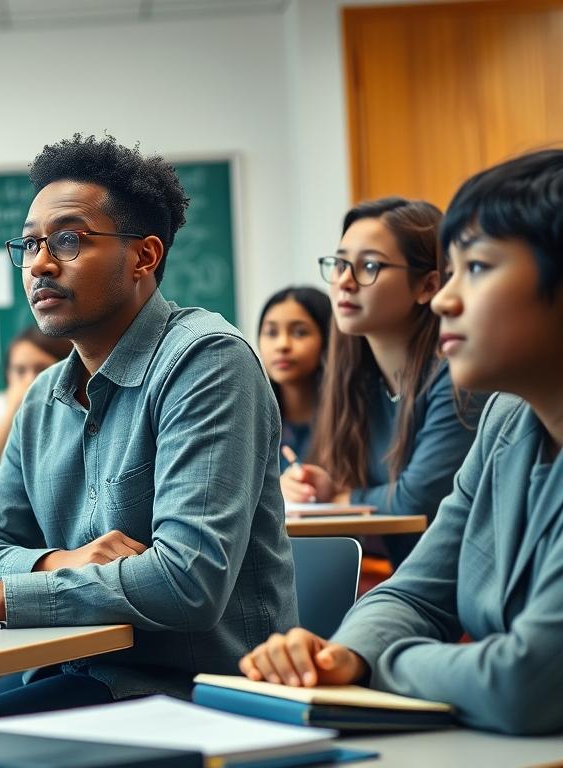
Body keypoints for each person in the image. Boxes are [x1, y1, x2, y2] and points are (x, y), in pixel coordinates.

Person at [0, 134, 296, 721]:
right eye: (30, 244)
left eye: (69, 240)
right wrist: (61, 562)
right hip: (67, 665)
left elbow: (188, 582)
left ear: (144, 257)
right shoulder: (42, 398)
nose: (40, 264)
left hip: (190, 689)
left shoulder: (206, 362)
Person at [240, 149, 563, 736]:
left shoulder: (469, 398)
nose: (445, 300)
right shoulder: (507, 420)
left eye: (478, 268)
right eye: (451, 271)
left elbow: (525, 683)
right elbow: (415, 593)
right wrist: (344, 655)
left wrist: (376, 664)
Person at [283, 198, 483, 566]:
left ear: (428, 285)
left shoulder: (459, 376)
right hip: (408, 576)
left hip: (462, 582)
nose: (345, 281)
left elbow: (416, 500)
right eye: (340, 264)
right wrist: (321, 488)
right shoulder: (357, 379)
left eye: (370, 266)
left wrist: (342, 498)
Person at [0, 326, 72, 489]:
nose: (29, 380)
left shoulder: (74, 407)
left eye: (41, 369)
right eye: (20, 371)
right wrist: (12, 409)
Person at [256, 287, 331, 470]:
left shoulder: (353, 420)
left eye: (299, 332)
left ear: (329, 339)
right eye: (271, 333)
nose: (282, 345)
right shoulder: (251, 420)